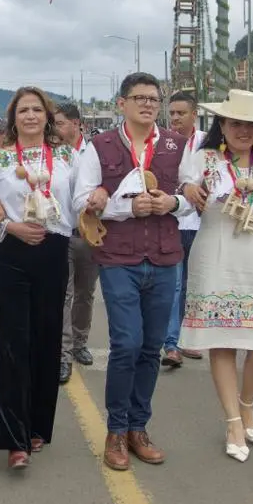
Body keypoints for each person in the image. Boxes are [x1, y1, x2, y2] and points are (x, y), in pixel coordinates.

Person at [73, 73, 189, 471]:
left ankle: (139, 427)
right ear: (121, 103)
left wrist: (171, 203)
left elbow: (194, 196)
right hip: (119, 258)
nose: (147, 104)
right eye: (138, 98)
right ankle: (116, 430)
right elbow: (80, 201)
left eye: (153, 98)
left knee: (152, 346)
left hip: (163, 257)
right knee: (126, 343)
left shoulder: (177, 145)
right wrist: (124, 207)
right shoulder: (99, 146)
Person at [179, 89, 253, 463]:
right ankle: (232, 421)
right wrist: (189, 188)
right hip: (216, 254)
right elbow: (185, 188)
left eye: (250, 124)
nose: (243, 130)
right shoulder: (203, 158)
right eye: (235, 122)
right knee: (222, 341)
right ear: (222, 126)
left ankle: (247, 404)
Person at [0, 87, 76, 469]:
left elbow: (78, 201)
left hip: (52, 252)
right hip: (12, 255)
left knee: (46, 341)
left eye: (37, 109)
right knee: (14, 344)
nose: (31, 116)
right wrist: (12, 228)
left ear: (48, 116)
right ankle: (13, 437)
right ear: (13, 118)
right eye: (23, 110)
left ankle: (38, 426)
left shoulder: (68, 156)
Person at [53, 102, 97, 384]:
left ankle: (80, 343)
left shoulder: (95, 151)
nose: (54, 129)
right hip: (62, 233)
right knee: (64, 295)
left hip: (90, 235)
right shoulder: (53, 154)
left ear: (76, 123)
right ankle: (63, 355)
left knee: (85, 293)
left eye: (58, 123)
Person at [162, 91, 206, 367]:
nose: (176, 118)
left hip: (202, 224)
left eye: (181, 113)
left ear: (194, 114)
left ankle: (191, 339)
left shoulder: (209, 144)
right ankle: (171, 344)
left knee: (195, 286)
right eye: (173, 113)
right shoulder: (164, 144)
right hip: (174, 223)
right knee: (174, 286)